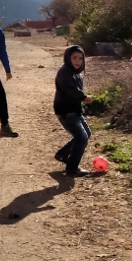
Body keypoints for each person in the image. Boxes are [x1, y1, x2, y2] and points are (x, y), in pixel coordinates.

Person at [54, 45, 94, 177]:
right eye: (74, 58)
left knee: (86, 134)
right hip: (66, 111)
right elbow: (69, 88)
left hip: (74, 110)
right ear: (67, 58)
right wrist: (83, 97)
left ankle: (63, 154)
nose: (77, 61)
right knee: (81, 137)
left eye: (80, 58)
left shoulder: (76, 73)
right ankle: (72, 168)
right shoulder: (64, 72)